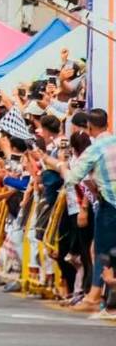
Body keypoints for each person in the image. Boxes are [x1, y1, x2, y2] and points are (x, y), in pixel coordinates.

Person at [61, 108, 116, 314]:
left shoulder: (95, 149)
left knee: (101, 251)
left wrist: (61, 166)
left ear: (89, 127)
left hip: (109, 204)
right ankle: (104, 297)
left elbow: (72, 178)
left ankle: (94, 296)